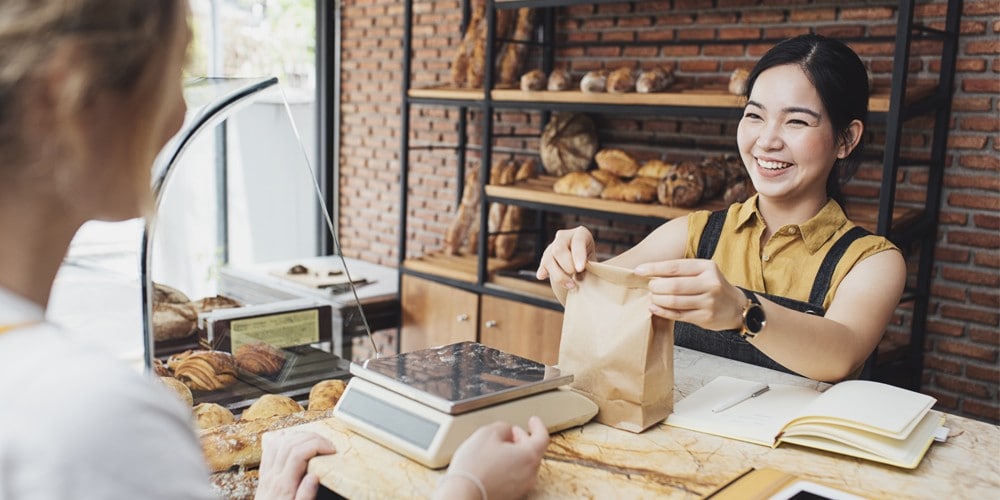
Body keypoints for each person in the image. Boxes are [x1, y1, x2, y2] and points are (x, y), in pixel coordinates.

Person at [0, 1, 547, 499]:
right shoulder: (95, 421)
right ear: (67, 91)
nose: (178, 111)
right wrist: (470, 487)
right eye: (172, 69)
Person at [537, 34, 906, 384]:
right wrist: (569, 264)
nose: (767, 140)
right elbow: (588, 298)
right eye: (754, 115)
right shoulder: (694, 233)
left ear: (846, 139)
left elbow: (839, 354)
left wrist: (742, 312)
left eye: (796, 121)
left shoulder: (871, 262)